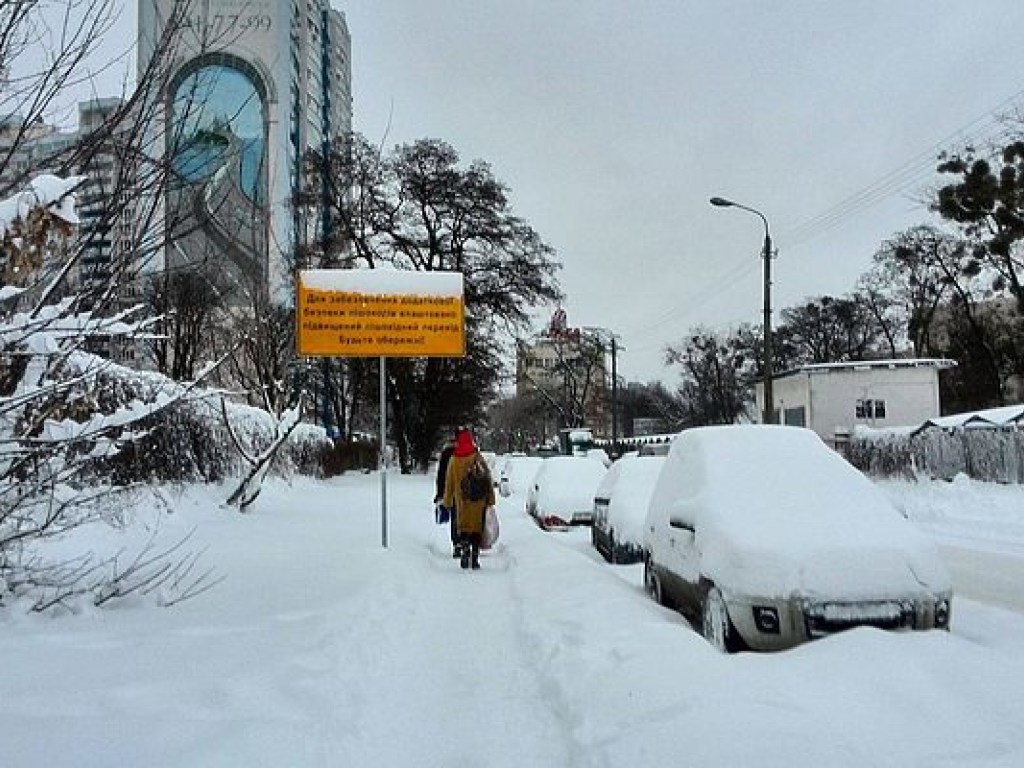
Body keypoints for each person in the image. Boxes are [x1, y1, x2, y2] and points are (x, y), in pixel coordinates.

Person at [443, 427, 495, 570]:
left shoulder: (454, 459)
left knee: (464, 527)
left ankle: (465, 551)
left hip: (462, 500)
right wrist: (491, 498)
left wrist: (447, 500)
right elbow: (487, 477)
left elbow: (449, 482)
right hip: (478, 500)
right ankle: (475, 558)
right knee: (477, 528)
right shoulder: (477, 456)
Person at [433, 435, 458, 556]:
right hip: (468, 491)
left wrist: (439, 493)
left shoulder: (447, 453)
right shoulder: (471, 452)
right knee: (467, 517)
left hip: (451, 490)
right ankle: (467, 542)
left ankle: (457, 544)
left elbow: (441, 474)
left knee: (455, 517)